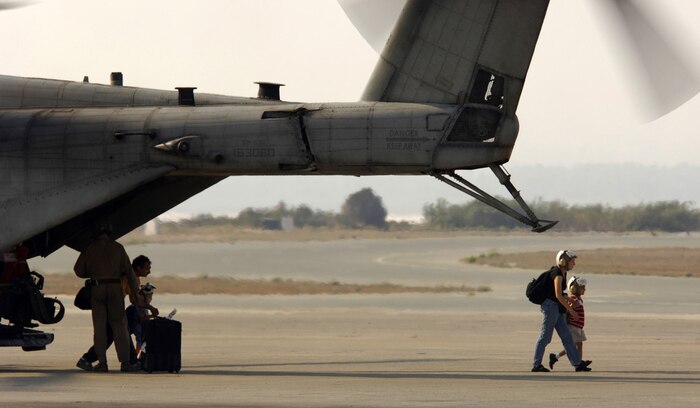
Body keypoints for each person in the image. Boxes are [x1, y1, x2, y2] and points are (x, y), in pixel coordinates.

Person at [73, 223, 141, 373]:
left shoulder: (89, 248)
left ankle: (102, 362)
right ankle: (125, 363)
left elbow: (78, 271)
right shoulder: (118, 248)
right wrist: (135, 292)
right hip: (115, 289)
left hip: (96, 289)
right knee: (120, 326)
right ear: (109, 232)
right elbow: (129, 272)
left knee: (100, 328)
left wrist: (94, 272)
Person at [76, 254, 158, 371]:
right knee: (122, 331)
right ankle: (131, 362)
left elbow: (133, 300)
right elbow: (135, 300)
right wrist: (150, 307)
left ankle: (87, 359)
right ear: (138, 268)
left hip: (114, 308)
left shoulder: (134, 278)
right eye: (147, 268)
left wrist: (148, 305)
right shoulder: (127, 276)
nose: (149, 271)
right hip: (109, 307)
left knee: (113, 335)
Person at [531, 250, 592, 372]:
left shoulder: (562, 274)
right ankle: (536, 365)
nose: (574, 263)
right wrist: (572, 311)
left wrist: (568, 298)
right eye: (572, 261)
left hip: (556, 307)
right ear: (563, 261)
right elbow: (558, 295)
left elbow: (559, 294)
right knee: (545, 337)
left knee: (567, 337)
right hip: (550, 307)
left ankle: (577, 364)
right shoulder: (557, 274)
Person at [549, 276, 589, 369]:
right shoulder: (574, 300)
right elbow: (568, 310)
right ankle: (575, 363)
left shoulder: (579, 299)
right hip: (573, 327)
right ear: (575, 288)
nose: (584, 289)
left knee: (579, 345)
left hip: (579, 327)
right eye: (582, 287)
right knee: (572, 346)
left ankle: (579, 363)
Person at [126, 282, 156, 357]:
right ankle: (136, 358)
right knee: (141, 342)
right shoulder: (139, 307)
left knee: (140, 342)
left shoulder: (143, 306)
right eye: (150, 296)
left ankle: (137, 357)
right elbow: (142, 318)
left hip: (136, 325)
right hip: (135, 325)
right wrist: (152, 315)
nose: (151, 299)